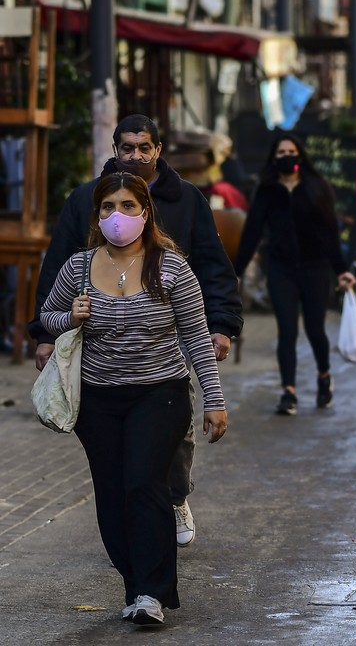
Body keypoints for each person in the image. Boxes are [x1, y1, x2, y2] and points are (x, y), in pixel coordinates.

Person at [29, 113, 242, 550]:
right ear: (115, 150)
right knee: (122, 459)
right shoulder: (87, 198)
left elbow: (212, 263)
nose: (136, 155)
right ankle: (135, 534)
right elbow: (58, 270)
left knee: (173, 432)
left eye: (144, 148)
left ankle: (175, 497)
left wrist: (221, 323)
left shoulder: (185, 199)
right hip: (103, 343)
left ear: (158, 151)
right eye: (127, 148)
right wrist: (47, 332)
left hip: (171, 332)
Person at [39, 172, 228, 626]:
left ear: (145, 213)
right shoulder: (79, 267)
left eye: (127, 206)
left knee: (144, 483)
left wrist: (214, 400)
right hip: (98, 401)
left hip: (159, 395)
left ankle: (152, 592)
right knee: (112, 491)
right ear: (97, 215)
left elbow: (197, 338)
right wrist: (70, 316)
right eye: (107, 208)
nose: (117, 216)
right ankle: (134, 582)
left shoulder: (171, 267)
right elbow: (45, 316)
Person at [233, 132, 356, 415]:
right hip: (281, 269)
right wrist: (236, 271)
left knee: (315, 330)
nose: (285, 157)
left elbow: (330, 233)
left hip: (315, 269)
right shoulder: (266, 190)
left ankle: (324, 377)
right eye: (280, 153)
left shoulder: (317, 187)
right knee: (286, 331)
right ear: (273, 159)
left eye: (290, 151)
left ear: (299, 155)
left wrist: (342, 270)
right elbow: (252, 232)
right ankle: (288, 392)